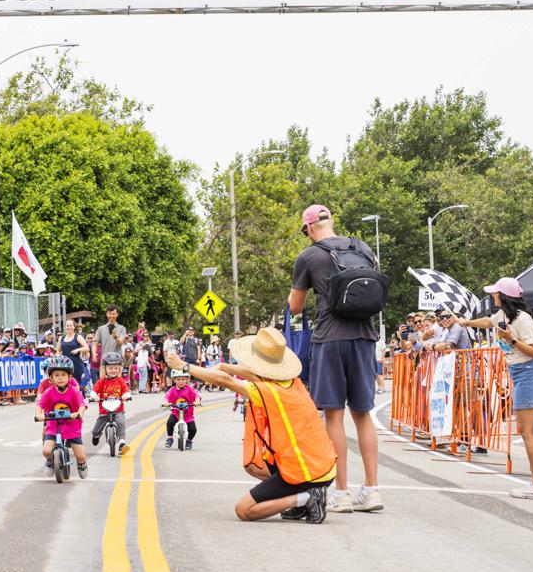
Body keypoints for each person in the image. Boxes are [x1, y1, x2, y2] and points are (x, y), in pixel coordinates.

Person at [169, 328, 335, 523]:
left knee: (244, 510)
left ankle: (306, 498)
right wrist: (224, 366)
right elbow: (250, 374)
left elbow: (225, 381)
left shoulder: (267, 391)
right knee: (253, 467)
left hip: (306, 471)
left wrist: (184, 366)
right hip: (322, 465)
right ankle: (302, 500)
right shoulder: (290, 381)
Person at [289, 204, 382, 513]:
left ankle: (341, 493)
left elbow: (295, 307)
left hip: (330, 338)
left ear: (309, 229)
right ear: (331, 221)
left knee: (334, 416)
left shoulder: (309, 256)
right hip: (364, 336)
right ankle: (371, 490)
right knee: (363, 414)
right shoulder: (362, 247)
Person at [459, 277, 533, 500]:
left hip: (528, 375)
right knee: (525, 431)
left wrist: (511, 340)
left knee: (528, 433)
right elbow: (487, 322)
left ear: (504, 296)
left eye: (495, 293)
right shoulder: (503, 315)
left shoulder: (523, 319)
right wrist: (467, 323)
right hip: (520, 376)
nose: (492, 296)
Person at [37, 355, 88, 478]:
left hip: (72, 426)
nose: (60, 378)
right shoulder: (49, 391)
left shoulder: (74, 391)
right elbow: (40, 404)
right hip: (54, 426)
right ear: (51, 377)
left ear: (69, 376)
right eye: (56, 375)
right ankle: (50, 462)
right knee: (46, 451)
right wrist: (39, 414)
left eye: (63, 375)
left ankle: (82, 465)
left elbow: (82, 404)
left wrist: (79, 413)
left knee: (80, 456)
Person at [90, 351, 130, 455]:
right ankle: (96, 435)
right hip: (104, 410)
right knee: (96, 430)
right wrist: (94, 396)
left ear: (119, 369)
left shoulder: (121, 381)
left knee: (121, 422)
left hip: (118, 410)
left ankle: (122, 443)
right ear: (105, 368)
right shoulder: (101, 381)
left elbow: (126, 391)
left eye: (116, 368)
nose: (113, 370)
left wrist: (126, 395)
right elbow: (94, 391)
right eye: (110, 368)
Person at [161, 366, 201, 449]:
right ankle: (170, 438)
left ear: (187, 380)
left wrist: (197, 401)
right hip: (176, 412)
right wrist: (165, 402)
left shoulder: (190, 389)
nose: (181, 381)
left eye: (183, 379)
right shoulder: (172, 390)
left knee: (193, 430)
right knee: (170, 422)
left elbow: (196, 395)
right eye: (178, 379)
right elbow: (167, 397)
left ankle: (189, 441)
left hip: (188, 415)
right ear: (174, 380)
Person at [94, 305, 127, 379]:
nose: (112, 315)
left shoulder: (122, 328)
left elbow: (121, 343)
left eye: (114, 313)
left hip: (117, 360)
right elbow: (95, 344)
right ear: (107, 314)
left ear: (117, 314)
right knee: (102, 381)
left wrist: (115, 337)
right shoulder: (100, 329)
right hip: (104, 360)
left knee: (117, 382)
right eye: (110, 313)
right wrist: (94, 354)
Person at [59, 318, 88, 387]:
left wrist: (78, 350)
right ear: (65, 327)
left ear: (74, 327)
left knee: (76, 383)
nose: (69, 327)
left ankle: (77, 393)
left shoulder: (78, 337)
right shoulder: (61, 338)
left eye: (70, 325)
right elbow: (58, 350)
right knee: (65, 383)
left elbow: (86, 348)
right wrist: (58, 358)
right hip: (65, 363)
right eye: (67, 326)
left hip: (76, 363)